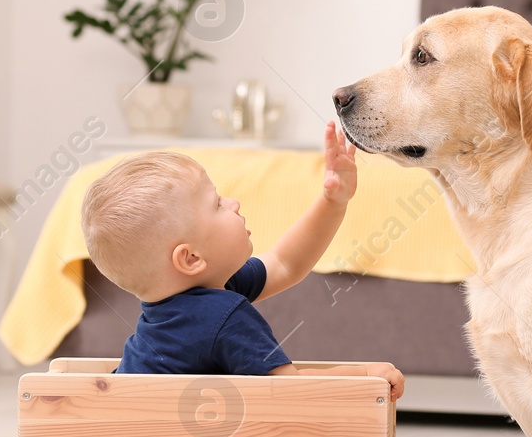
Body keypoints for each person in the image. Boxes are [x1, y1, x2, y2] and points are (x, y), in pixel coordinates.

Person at [80, 121, 405, 398]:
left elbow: (284, 263)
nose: (234, 203)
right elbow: (287, 392)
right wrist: (365, 374)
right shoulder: (224, 315)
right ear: (191, 258)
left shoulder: (192, 299)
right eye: (218, 204)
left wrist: (333, 200)